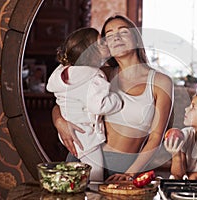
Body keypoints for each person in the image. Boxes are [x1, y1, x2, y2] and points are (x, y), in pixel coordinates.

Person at [51, 15, 174, 181]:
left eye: (123, 32)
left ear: (136, 39)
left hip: (124, 169)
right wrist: (59, 121)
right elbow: (63, 102)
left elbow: (156, 138)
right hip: (83, 158)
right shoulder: (99, 75)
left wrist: (130, 174)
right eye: (109, 35)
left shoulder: (160, 82)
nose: (116, 37)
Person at [46, 27, 123, 181]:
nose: (108, 43)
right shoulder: (95, 76)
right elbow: (98, 106)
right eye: (102, 41)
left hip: (76, 134)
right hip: (86, 135)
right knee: (95, 177)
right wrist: (118, 100)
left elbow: (61, 101)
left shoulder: (64, 73)